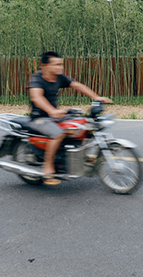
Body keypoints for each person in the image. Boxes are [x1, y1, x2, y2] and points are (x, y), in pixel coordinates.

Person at [28, 51, 112, 185]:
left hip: (56, 116)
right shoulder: (37, 79)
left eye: (61, 64)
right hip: (40, 118)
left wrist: (96, 97)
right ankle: (47, 165)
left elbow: (77, 85)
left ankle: (80, 155)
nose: (60, 67)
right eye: (56, 64)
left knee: (83, 124)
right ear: (44, 66)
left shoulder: (59, 77)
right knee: (59, 134)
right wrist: (52, 111)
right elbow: (37, 97)